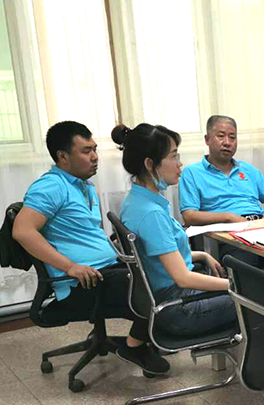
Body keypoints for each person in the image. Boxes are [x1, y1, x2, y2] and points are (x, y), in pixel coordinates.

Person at [13, 121, 168, 375]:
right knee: (154, 283)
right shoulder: (51, 187)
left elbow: (84, 235)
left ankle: (146, 336)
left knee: (156, 268)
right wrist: (70, 267)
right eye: (86, 151)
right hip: (83, 282)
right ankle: (136, 345)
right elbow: (22, 231)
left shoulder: (84, 185)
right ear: (63, 156)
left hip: (106, 270)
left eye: (95, 149)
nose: (95, 157)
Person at [114, 123, 237, 338]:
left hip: (167, 297)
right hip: (179, 307)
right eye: (173, 156)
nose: (180, 164)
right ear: (150, 164)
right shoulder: (151, 214)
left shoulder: (135, 200)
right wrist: (236, 286)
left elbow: (158, 256)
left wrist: (202, 255)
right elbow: (183, 278)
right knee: (262, 301)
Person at [178, 115, 264, 225]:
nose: (227, 143)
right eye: (221, 136)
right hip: (224, 229)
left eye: (232, 137)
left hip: (258, 224)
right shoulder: (192, 173)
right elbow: (189, 216)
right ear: (207, 139)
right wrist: (227, 217)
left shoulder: (249, 170)